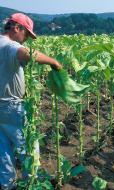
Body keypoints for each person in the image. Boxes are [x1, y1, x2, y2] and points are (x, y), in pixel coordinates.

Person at [0, 13, 62, 190]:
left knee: (3, 150)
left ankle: (6, 185)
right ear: (16, 28)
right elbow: (26, 54)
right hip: (10, 107)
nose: (25, 40)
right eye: (26, 34)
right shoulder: (10, 45)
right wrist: (53, 62)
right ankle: (32, 183)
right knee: (28, 148)